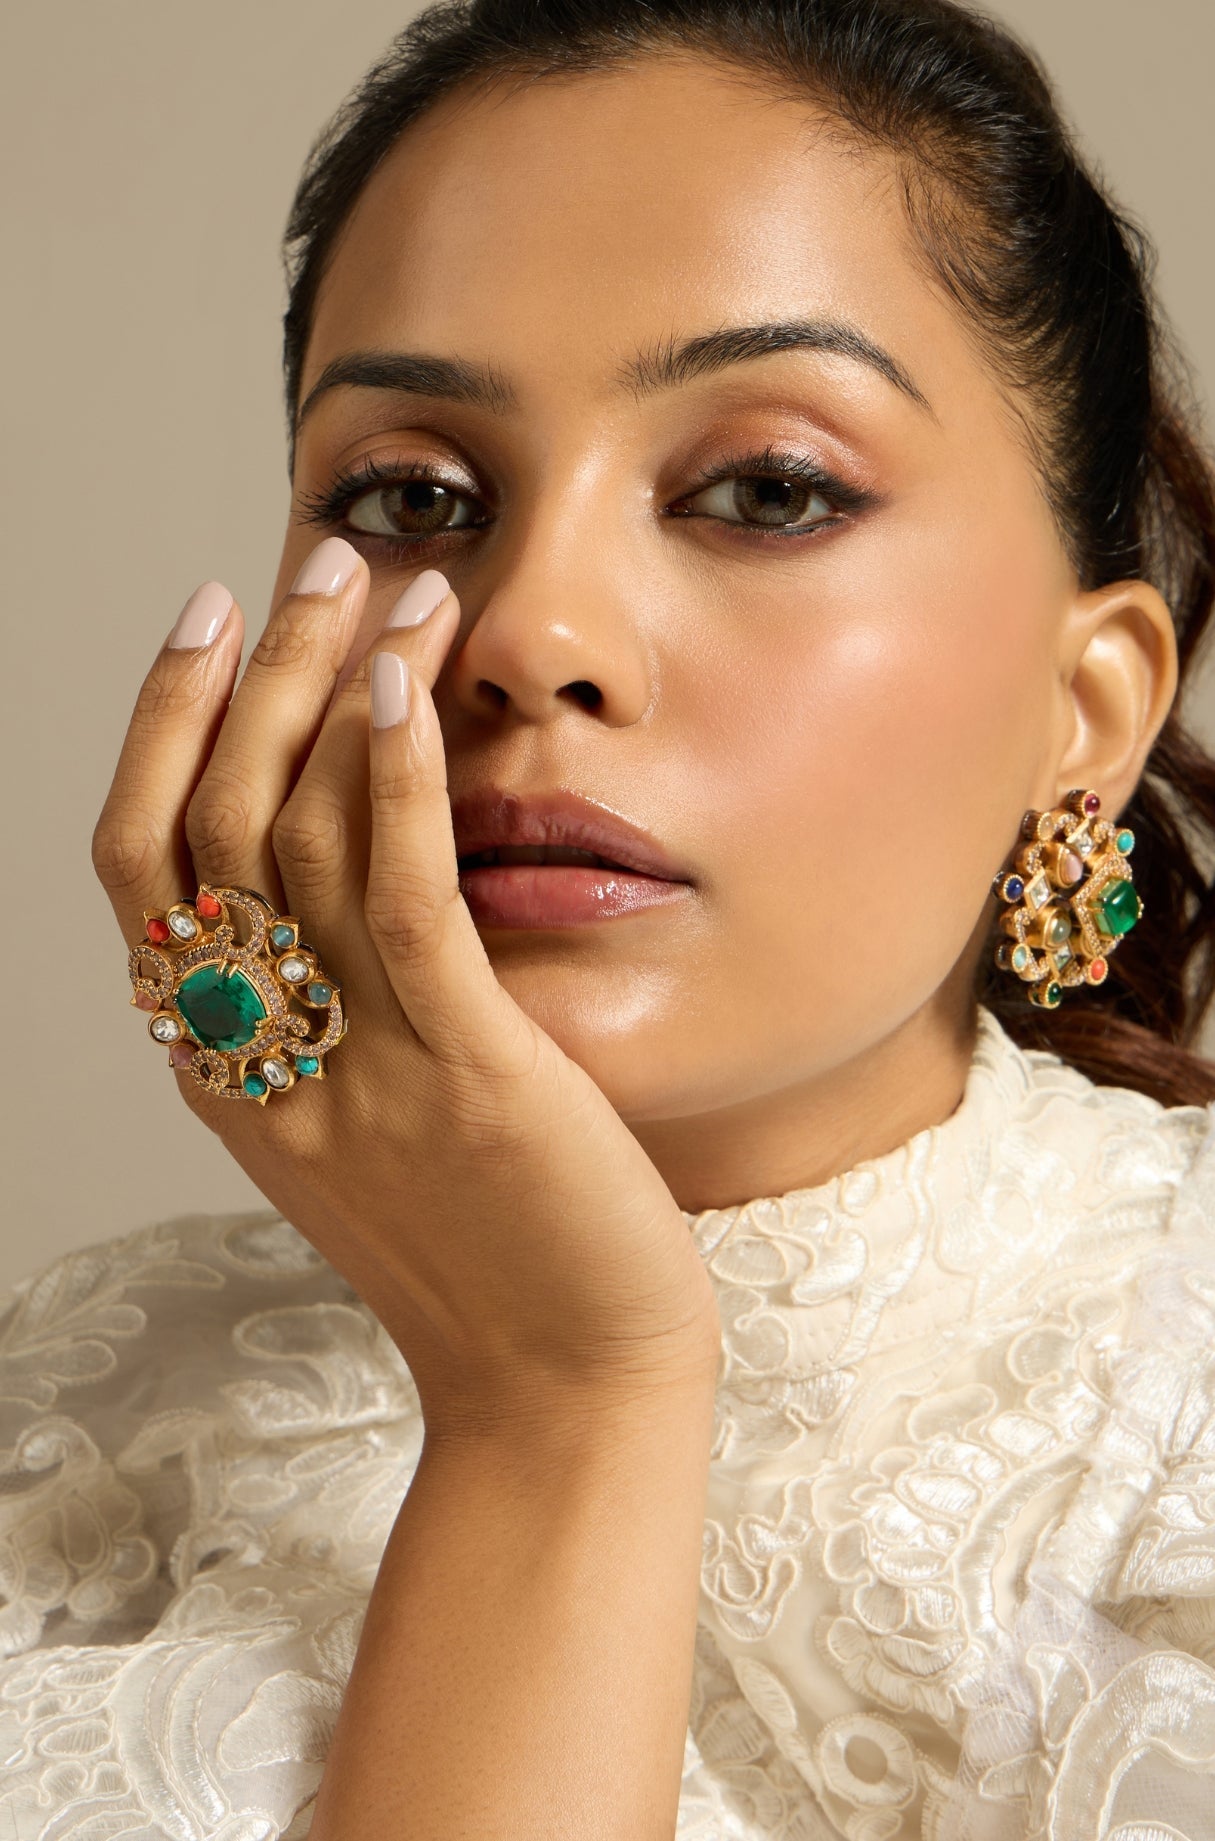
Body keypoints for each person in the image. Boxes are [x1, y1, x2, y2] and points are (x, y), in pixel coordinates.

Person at [4, 0, 1215, 1832]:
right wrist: (557, 1404)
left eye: (767, 490)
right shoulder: (78, 1416)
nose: (526, 635)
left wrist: (559, 1393)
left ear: (1088, 708)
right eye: (414, 495)